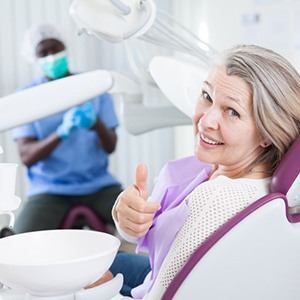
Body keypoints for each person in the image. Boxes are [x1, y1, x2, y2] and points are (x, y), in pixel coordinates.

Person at [88, 44, 300, 299]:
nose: (205, 120)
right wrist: (129, 220)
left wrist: (101, 292)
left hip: (153, 289)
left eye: (232, 112)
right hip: (154, 272)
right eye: (207, 96)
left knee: (85, 269)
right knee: (117, 261)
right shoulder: (226, 169)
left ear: (267, 132)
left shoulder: (217, 199)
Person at [12, 23, 122, 233]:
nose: (52, 56)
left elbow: (111, 146)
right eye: (44, 52)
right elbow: (27, 156)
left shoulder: (94, 87)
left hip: (98, 185)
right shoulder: (25, 97)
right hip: (49, 190)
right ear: (34, 58)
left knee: (144, 228)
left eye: (56, 49)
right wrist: (60, 133)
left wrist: (96, 123)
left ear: (66, 48)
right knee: (19, 242)